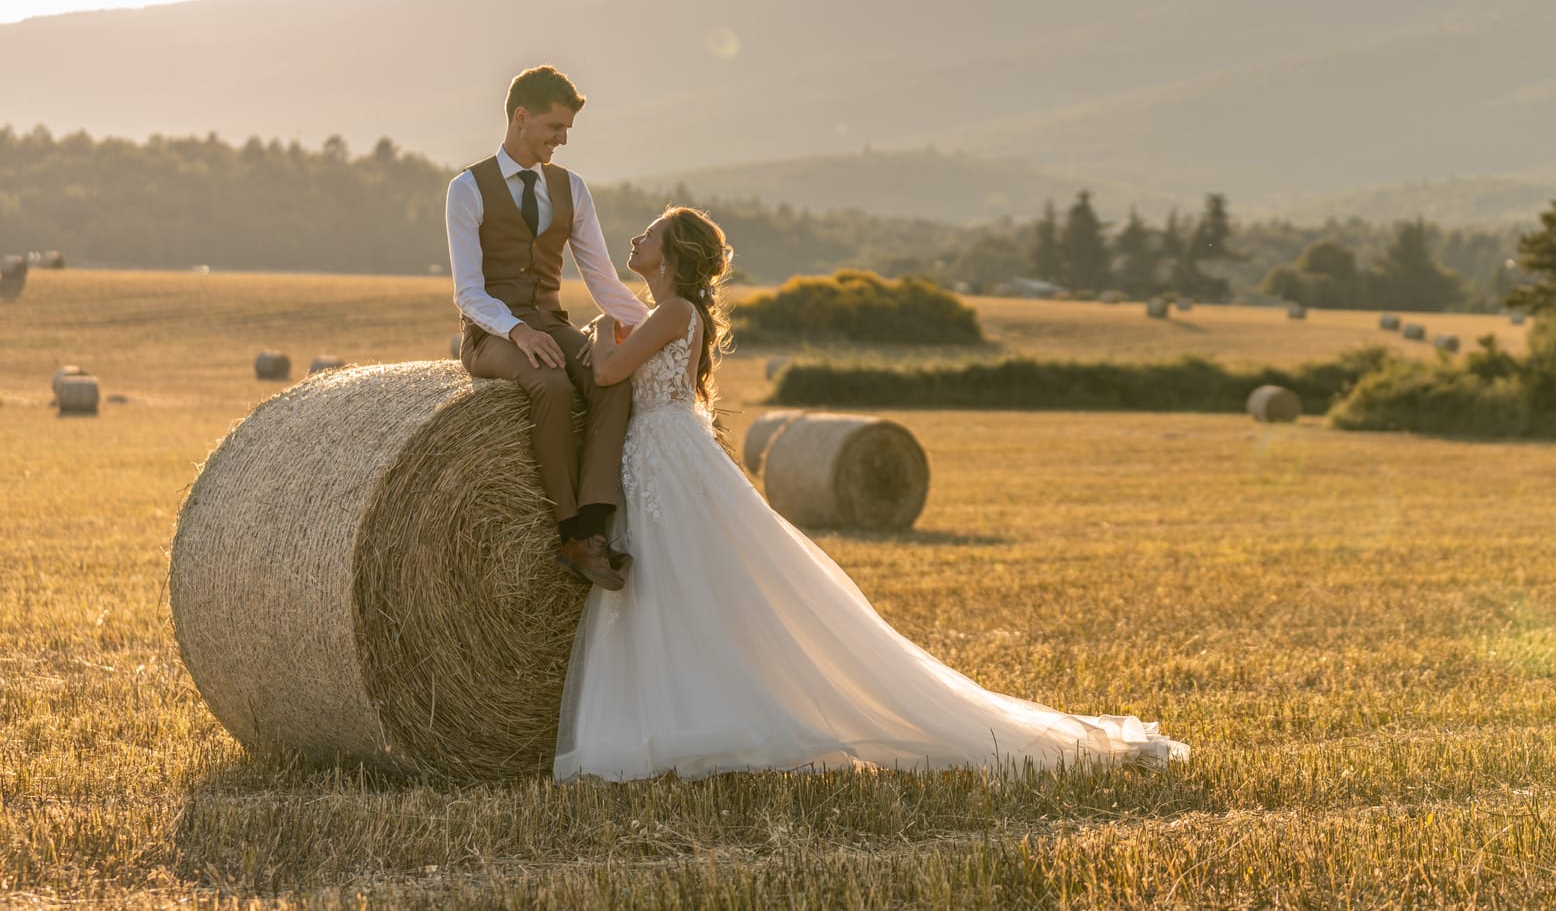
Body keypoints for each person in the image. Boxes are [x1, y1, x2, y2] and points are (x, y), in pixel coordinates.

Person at [554, 205, 1188, 780]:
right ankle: (685, 713)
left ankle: (702, 718)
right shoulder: (664, 313)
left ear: (671, 256)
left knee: (679, 584)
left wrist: (594, 335)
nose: (636, 239)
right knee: (675, 586)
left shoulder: (671, 312)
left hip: (665, 457)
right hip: (662, 455)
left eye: (650, 235)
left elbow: (608, 372)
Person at [445, 65, 651, 590]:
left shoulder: (571, 188)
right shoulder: (466, 188)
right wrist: (516, 331)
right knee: (551, 385)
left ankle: (595, 524)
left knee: (611, 379)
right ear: (521, 118)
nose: (562, 140)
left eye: (566, 131)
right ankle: (568, 535)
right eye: (555, 128)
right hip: (490, 334)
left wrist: (653, 330)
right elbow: (467, 292)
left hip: (553, 323)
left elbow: (602, 279)